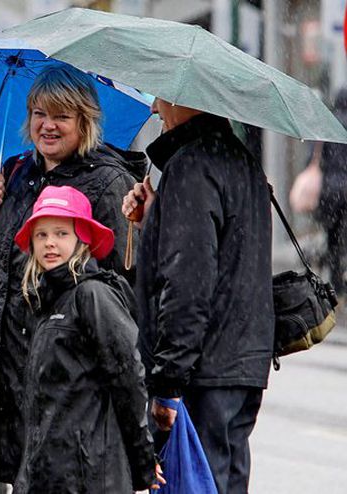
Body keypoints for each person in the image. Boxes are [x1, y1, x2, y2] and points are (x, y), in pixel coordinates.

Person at [0, 64, 146, 484]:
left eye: (61, 115)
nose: (47, 126)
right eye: (38, 113)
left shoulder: (107, 184)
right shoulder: (17, 174)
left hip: (60, 380)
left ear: (85, 122)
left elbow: (123, 290)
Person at [122, 98, 274, 494]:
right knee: (222, 482)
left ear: (185, 98)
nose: (155, 108)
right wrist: (157, 218)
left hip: (202, 370)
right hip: (241, 364)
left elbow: (188, 283)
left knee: (189, 482)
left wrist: (168, 383)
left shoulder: (192, 167)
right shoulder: (241, 160)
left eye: (160, 96)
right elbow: (227, 257)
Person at [12, 185, 160, 493]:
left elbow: (129, 378)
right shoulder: (44, 300)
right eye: (41, 235)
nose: (50, 243)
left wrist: (143, 461)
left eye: (61, 234)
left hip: (89, 476)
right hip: (47, 476)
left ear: (83, 240)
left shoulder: (93, 295)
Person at [314, 88, 347, 297]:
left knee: (333, 237)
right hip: (345, 189)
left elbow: (315, 157)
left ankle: (336, 282)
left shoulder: (328, 124)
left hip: (330, 192)